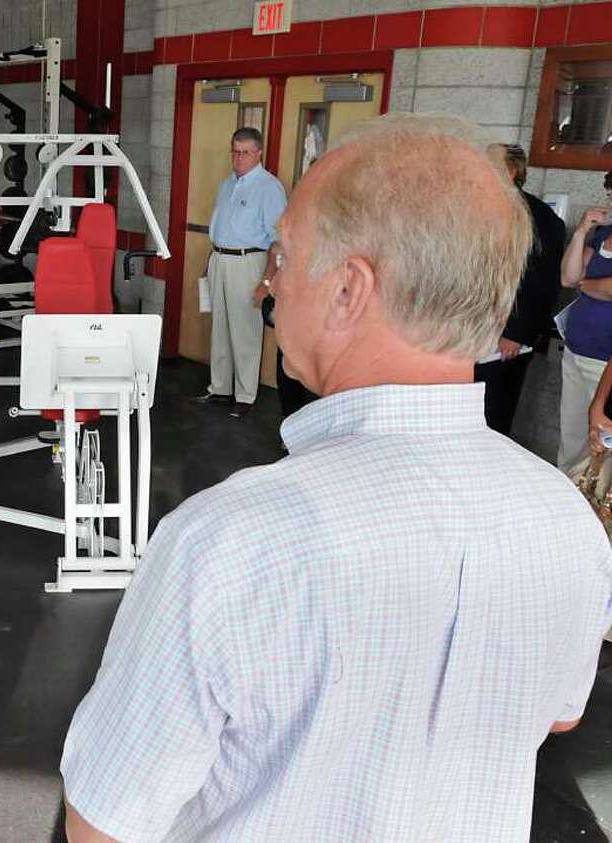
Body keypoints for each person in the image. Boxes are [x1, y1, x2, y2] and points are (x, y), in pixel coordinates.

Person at [61, 114, 612, 842]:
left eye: (286, 257)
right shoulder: (566, 518)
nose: (273, 283)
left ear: (349, 290)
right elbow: (562, 713)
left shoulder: (229, 541)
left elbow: (104, 821)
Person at [192, 126, 286, 418]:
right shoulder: (227, 184)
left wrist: (267, 281)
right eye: (235, 151)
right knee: (220, 327)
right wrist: (210, 262)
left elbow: (278, 241)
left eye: (245, 152)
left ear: (258, 154)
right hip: (220, 259)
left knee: (245, 330)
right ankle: (220, 388)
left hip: (248, 263)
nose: (238, 158)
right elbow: (220, 228)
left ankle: (245, 395)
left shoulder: (269, 188)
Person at [474, 144, 565, 435]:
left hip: (506, 334)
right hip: (469, 329)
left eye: (489, 162)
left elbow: (542, 282)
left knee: (493, 410)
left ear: (512, 171)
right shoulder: (474, 208)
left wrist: (516, 333)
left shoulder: (540, 218)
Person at [559, 170, 612, 470]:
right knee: (570, 438)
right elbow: (568, 277)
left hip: (605, 361)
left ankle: (591, 495)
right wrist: (581, 231)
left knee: (598, 446)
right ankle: (566, 490)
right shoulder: (604, 234)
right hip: (576, 348)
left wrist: (587, 284)